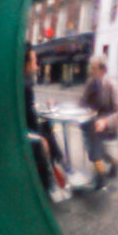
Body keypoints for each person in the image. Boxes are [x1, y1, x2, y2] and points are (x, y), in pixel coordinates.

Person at [24, 45, 67, 196]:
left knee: (47, 127)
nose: (37, 67)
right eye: (35, 62)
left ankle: (58, 164)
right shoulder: (26, 85)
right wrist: (40, 138)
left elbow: (28, 111)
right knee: (47, 131)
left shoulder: (23, 83)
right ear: (27, 64)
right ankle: (54, 172)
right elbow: (29, 120)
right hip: (28, 138)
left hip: (28, 133)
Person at [80, 56, 118, 189]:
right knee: (87, 126)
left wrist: (105, 122)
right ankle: (112, 162)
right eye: (91, 68)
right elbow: (82, 102)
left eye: (94, 69)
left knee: (90, 129)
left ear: (103, 70)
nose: (91, 71)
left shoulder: (112, 85)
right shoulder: (91, 83)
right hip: (94, 123)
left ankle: (100, 170)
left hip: (111, 126)